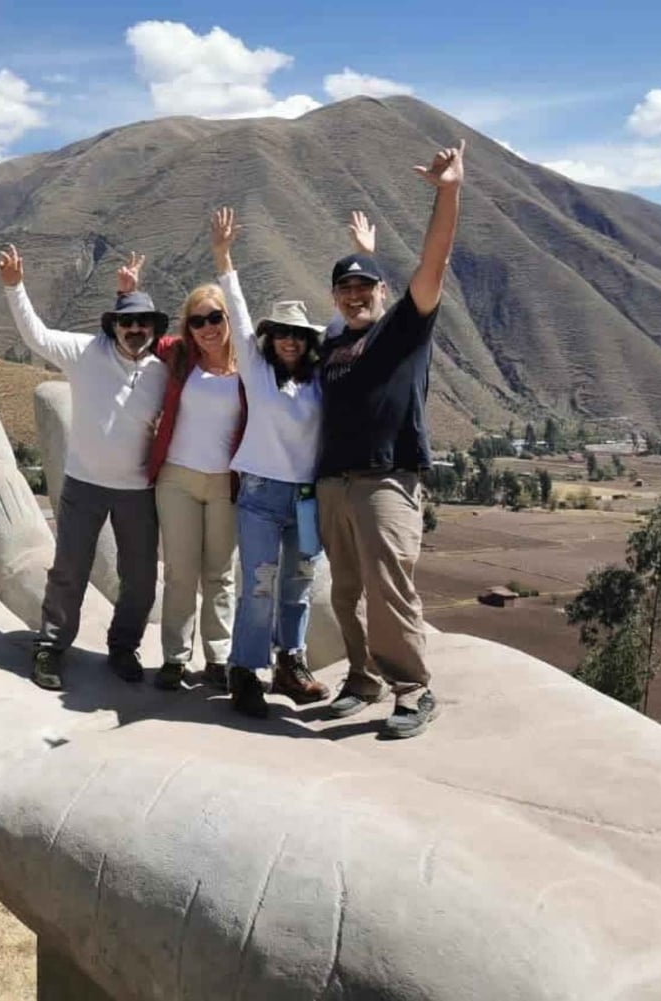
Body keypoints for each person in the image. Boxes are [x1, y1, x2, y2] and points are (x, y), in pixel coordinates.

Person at [317, 140, 466, 740]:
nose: (356, 296)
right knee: (346, 593)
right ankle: (362, 678)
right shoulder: (333, 344)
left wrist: (449, 193)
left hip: (386, 480)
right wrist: (363, 256)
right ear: (335, 298)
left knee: (389, 589)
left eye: (367, 288)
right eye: (345, 289)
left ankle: (414, 688)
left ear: (385, 294)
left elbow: (433, 265)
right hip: (334, 483)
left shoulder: (404, 329)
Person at [0, 244, 169, 691]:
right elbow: (37, 336)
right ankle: (51, 648)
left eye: (141, 323)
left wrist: (128, 292)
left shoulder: (165, 370)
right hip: (84, 485)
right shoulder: (85, 352)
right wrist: (16, 288)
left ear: (153, 329)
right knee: (69, 571)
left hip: (138, 492)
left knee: (141, 578)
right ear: (113, 326)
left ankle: (122, 647)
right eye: (126, 322)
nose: (134, 329)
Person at [210, 208, 330, 718]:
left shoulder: (322, 382)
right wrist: (224, 257)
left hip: (306, 497)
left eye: (298, 334)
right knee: (258, 585)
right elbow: (236, 316)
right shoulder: (257, 375)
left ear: (308, 342)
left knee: (299, 584)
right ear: (270, 337)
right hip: (260, 495)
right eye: (282, 331)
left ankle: (291, 664)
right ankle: (246, 671)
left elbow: (356, 328)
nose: (289, 339)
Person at [144, 283, 245, 691]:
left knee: (221, 574)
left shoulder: (249, 367)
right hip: (177, 480)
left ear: (228, 319)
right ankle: (175, 657)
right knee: (180, 573)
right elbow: (139, 337)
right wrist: (127, 295)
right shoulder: (179, 356)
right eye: (197, 321)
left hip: (225, 483)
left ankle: (218, 657)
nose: (207, 328)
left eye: (215, 318)